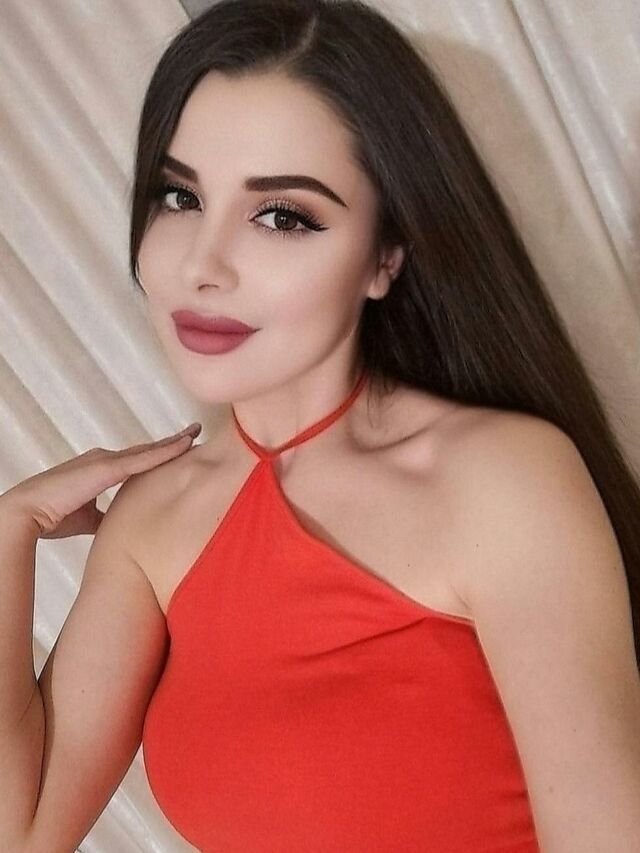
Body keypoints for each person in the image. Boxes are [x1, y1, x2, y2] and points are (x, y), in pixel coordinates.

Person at [2, 0, 639, 851]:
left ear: (385, 256)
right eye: (180, 196)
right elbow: (23, 831)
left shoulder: (501, 480)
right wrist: (8, 532)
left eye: (281, 215)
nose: (202, 265)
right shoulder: (153, 520)